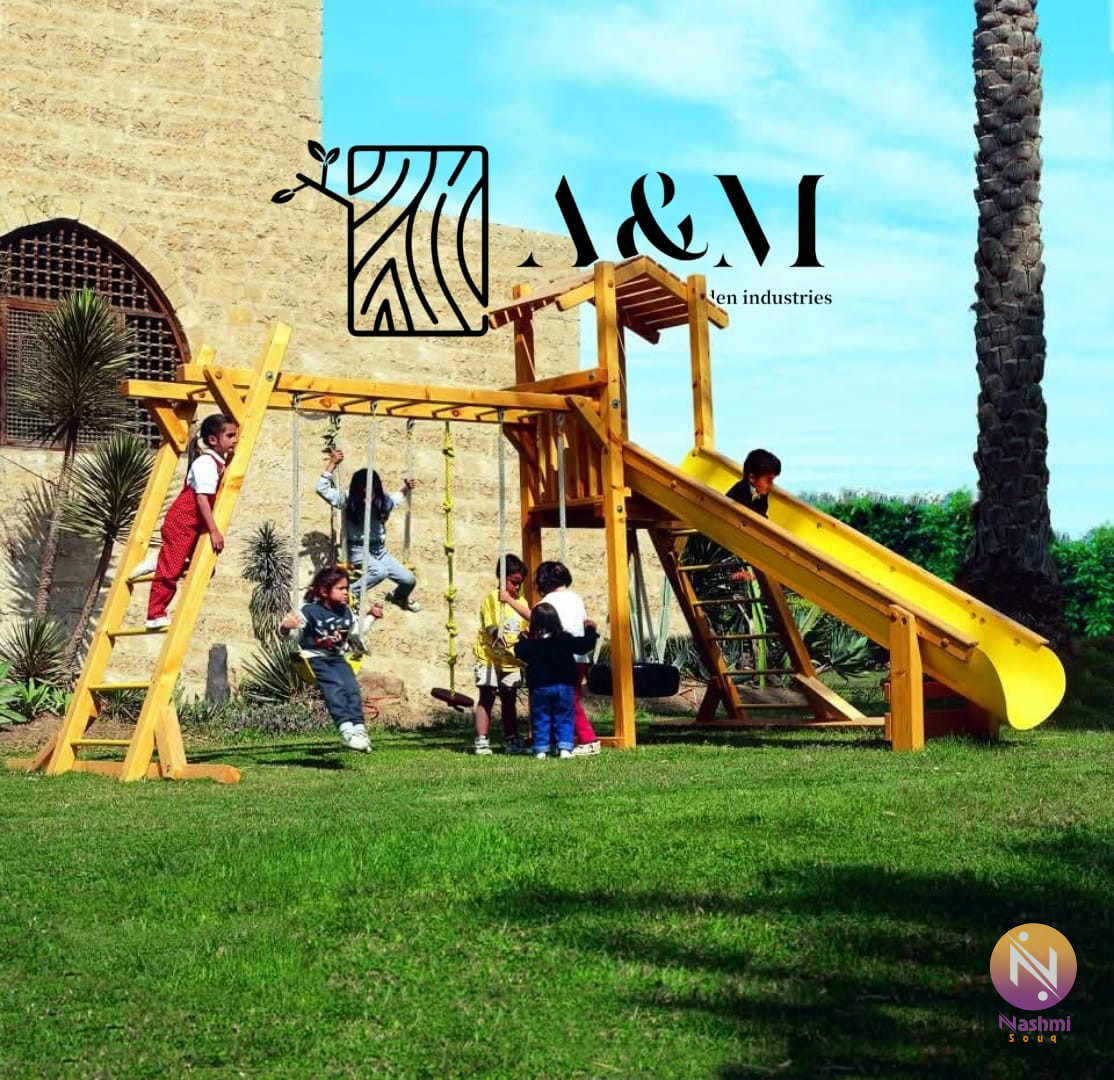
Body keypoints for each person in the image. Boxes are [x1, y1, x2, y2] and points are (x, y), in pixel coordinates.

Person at [136, 412, 239, 629]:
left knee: (205, 567)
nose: (234, 440)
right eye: (229, 436)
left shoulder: (218, 461)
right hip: (183, 522)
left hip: (195, 523)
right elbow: (202, 498)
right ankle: (154, 614)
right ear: (213, 440)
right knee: (171, 571)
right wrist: (214, 531)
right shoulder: (206, 463)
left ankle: (161, 560)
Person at [279, 566, 381, 752]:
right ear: (324, 591)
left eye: (346, 588)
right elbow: (293, 636)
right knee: (335, 687)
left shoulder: (346, 611)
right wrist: (287, 627)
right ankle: (346, 730)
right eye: (340, 588)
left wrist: (372, 617)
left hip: (337, 658)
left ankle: (358, 729)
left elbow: (356, 632)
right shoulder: (309, 611)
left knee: (352, 689)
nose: (345, 592)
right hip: (314, 658)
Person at [316, 448, 420, 612]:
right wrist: (332, 464)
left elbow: (395, 499)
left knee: (409, 580)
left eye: (371, 494)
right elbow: (322, 489)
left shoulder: (382, 500)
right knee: (379, 572)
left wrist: (406, 488)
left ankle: (398, 597)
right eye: (363, 495)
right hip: (357, 549)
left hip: (379, 550)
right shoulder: (347, 499)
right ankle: (350, 594)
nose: (367, 499)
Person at [514, 602, 599, 760]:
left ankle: (541, 749)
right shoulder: (564, 638)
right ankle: (565, 747)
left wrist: (522, 638)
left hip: (540, 687)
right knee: (565, 717)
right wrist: (590, 629)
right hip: (564, 685)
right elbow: (584, 645)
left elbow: (519, 651)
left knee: (541, 717)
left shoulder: (533, 643)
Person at [534, 560, 601, 756]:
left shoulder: (545, 604)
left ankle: (588, 739)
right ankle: (559, 740)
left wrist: (510, 602)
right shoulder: (576, 598)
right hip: (579, 657)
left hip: (558, 658)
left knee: (566, 702)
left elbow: (534, 618)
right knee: (568, 699)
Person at [472, 554, 532, 756]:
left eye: (520, 583)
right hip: (488, 657)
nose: (517, 587)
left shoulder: (521, 601)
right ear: (501, 577)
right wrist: (496, 636)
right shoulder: (492, 598)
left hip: (511, 660)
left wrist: (526, 634)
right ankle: (482, 740)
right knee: (486, 696)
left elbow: (525, 624)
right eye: (513, 582)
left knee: (509, 699)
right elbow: (490, 625)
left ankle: (511, 739)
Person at [720, 448, 782, 585]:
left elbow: (761, 516)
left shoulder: (761, 493)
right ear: (752, 478)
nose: (771, 486)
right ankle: (733, 570)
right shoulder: (740, 492)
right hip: (727, 537)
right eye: (769, 480)